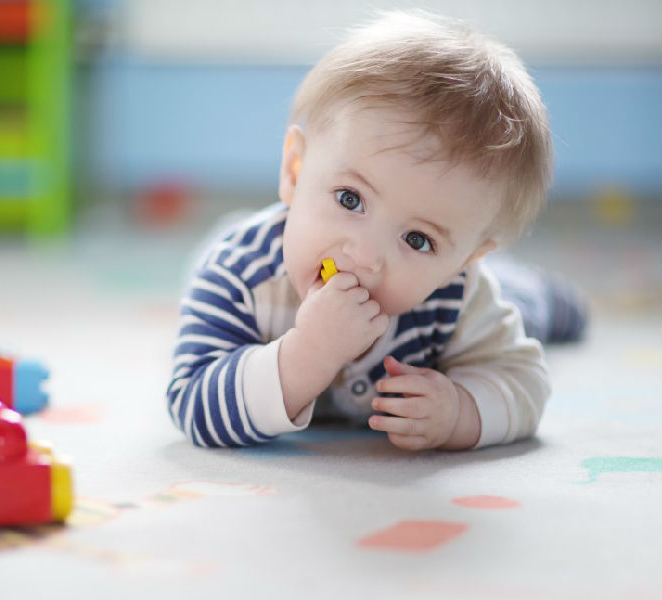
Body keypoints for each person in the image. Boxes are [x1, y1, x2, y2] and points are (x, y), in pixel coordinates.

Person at [166, 10, 586, 451]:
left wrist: (459, 410)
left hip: (494, 287)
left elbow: (524, 382)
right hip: (236, 249)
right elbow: (193, 402)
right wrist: (308, 354)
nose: (366, 256)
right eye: (350, 199)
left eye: (417, 239)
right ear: (295, 170)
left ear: (461, 261)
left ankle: (540, 291)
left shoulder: (457, 294)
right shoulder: (240, 277)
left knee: (522, 305)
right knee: (206, 263)